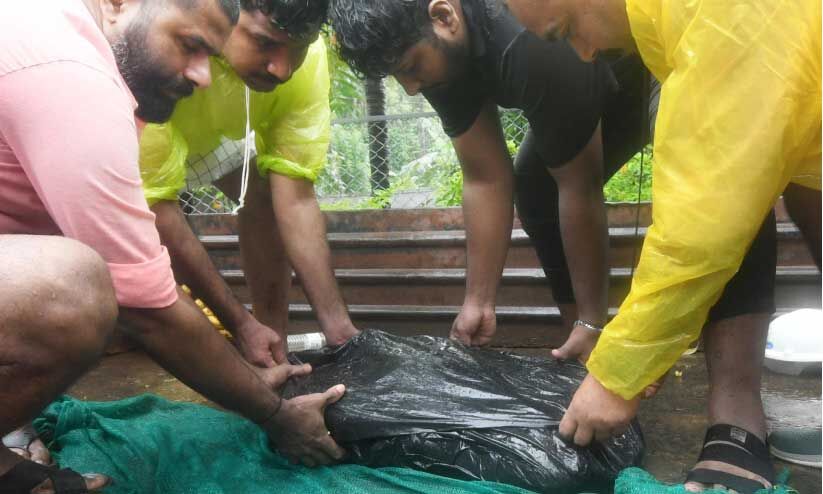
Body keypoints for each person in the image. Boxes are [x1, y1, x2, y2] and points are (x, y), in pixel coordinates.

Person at [0, 1, 345, 492]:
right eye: (190, 45)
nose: (205, 76)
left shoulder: (91, 60)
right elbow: (148, 303)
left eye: (212, 55)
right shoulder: (71, 74)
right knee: (73, 290)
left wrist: (253, 334)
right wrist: (275, 415)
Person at [502, 0, 822, 492]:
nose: (585, 53)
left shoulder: (724, 17)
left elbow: (707, 220)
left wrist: (616, 376)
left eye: (568, 29)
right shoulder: (670, 22)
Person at [139, 0, 359, 368]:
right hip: (142, 133)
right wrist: (239, 324)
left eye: (298, 49)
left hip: (216, 138)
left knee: (265, 187)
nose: (283, 68)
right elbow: (156, 209)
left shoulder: (304, 66)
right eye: (264, 42)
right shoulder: (163, 47)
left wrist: (341, 331)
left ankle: (273, 343)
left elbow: (296, 199)